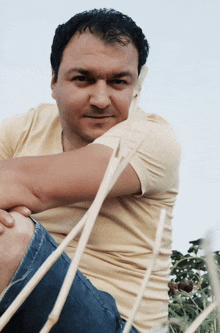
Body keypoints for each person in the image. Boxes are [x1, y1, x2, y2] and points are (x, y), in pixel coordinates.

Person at [0, 8, 181, 333]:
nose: (100, 99)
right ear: (54, 81)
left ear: (136, 87)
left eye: (118, 81)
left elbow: (27, 186)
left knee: (5, 236)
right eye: (83, 78)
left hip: (119, 324)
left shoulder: (152, 139)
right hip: (17, 306)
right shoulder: (24, 128)